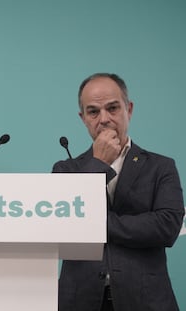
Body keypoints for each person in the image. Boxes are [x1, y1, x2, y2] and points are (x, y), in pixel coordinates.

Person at [52, 73, 184, 311]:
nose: (104, 119)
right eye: (93, 112)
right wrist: (99, 164)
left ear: (129, 109)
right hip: (79, 300)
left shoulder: (161, 166)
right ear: (83, 118)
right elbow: (66, 225)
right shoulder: (66, 169)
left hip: (146, 299)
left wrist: (96, 225)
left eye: (112, 108)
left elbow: (167, 227)